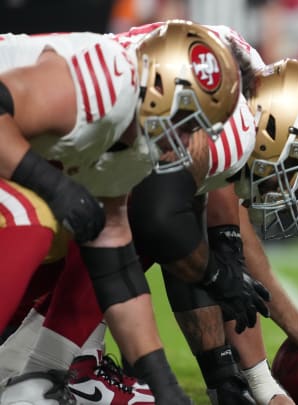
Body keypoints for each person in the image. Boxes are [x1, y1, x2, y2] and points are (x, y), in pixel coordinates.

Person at [0, 19, 247, 404]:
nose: (184, 141)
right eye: (185, 120)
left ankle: (19, 374)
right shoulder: (108, 78)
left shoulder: (139, 138)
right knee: (32, 216)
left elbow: (114, 263)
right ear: (158, 85)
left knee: (85, 224)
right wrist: (53, 187)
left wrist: (164, 384)